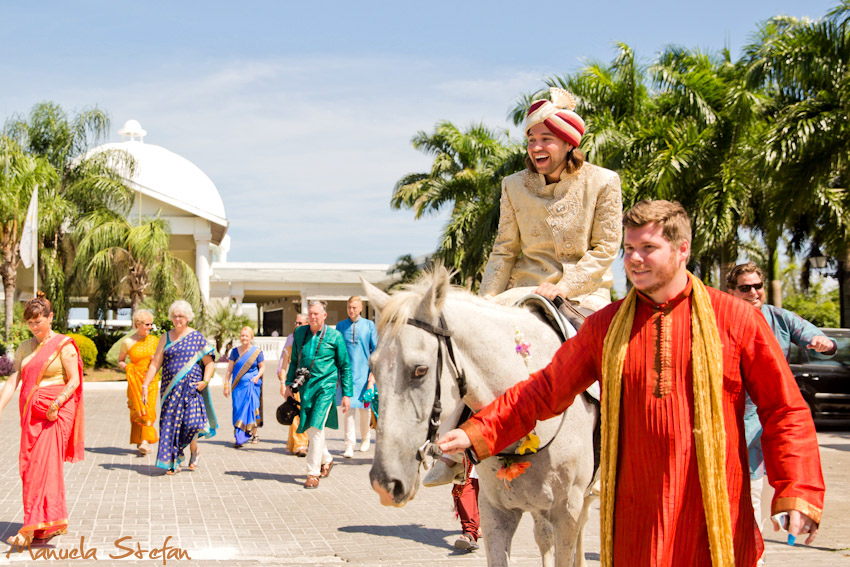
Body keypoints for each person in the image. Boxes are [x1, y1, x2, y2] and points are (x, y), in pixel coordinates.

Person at [439, 200, 825, 567]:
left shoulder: (737, 320)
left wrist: (797, 489)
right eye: (629, 248)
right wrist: (479, 430)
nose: (634, 259)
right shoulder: (604, 327)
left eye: (648, 247)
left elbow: (784, 409)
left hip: (713, 512)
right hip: (636, 518)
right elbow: (546, 389)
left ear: (682, 250)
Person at [727, 261, 836, 562]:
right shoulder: (722, 320)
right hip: (733, 419)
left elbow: (816, 337)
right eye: (745, 287)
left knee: (758, 491)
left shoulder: (779, 318)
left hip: (771, 420)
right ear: (731, 291)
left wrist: (822, 343)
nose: (753, 292)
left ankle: (751, 554)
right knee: (740, 493)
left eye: (757, 286)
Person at [479, 87, 622, 310]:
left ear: (569, 144)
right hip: (524, 290)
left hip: (585, 294)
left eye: (546, 139)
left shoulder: (603, 181)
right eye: (531, 140)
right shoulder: (512, 185)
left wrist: (563, 289)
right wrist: (485, 300)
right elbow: (505, 251)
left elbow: (605, 248)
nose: (536, 147)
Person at [0, 292, 84, 548]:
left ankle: (27, 530)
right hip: (31, 415)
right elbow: (14, 379)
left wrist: (56, 404)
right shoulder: (26, 346)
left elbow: (74, 380)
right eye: (31, 322)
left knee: (41, 469)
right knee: (29, 468)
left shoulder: (63, 344)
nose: (35, 326)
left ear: (50, 318)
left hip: (55, 414)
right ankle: (46, 523)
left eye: (39, 321)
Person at [141, 300, 217, 475]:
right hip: (170, 389)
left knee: (191, 423)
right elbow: (155, 364)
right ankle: (174, 462)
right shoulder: (166, 337)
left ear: (187, 317)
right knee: (171, 424)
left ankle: (194, 449)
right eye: (174, 316)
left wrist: (205, 381)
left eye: (181, 316)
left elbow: (209, 363)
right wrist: (145, 384)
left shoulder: (196, 337)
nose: (177, 319)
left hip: (192, 389)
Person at [284, 300, 352, 489]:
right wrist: (289, 383)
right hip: (306, 386)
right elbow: (294, 359)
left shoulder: (335, 336)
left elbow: (345, 366)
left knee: (316, 426)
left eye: (316, 314)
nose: (312, 317)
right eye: (310, 314)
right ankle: (327, 458)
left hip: (326, 387)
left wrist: (346, 394)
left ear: (324, 316)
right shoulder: (300, 333)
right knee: (310, 428)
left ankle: (312, 473)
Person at [335, 296, 377, 458]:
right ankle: (349, 445)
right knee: (349, 410)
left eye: (354, 307)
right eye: (349, 307)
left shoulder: (369, 325)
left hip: (365, 375)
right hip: (346, 374)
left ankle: (366, 438)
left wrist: (372, 378)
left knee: (365, 411)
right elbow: (336, 351)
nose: (351, 310)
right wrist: (337, 375)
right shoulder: (341, 326)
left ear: (360, 308)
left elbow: (376, 351)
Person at [118, 309, 159, 456]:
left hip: (151, 381)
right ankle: (139, 439)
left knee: (148, 410)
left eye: (151, 324)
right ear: (138, 324)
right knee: (137, 410)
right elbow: (121, 360)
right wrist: (128, 367)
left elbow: (161, 360)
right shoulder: (128, 342)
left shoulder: (155, 341)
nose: (150, 327)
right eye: (147, 324)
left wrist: (157, 359)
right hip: (135, 381)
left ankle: (145, 441)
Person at [224, 326, 265, 448]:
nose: (244, 338)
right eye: (242, 335)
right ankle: (239, 436)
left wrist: (257, 376)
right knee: (238, 409)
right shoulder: (234, 352)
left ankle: (252, 434)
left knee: (250, 409)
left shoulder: (257, 352)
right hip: (237, 386)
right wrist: (226, 384)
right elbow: (230, 370)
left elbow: (262, 367)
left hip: (252, 385)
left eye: (246, 336)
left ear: (251, 337)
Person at [278, 313, 309, 456]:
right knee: (296, 414)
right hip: (294, 386)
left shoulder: (311, 346)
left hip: (309, 386)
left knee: (306, 415)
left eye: (300, 323)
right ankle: (300, 445)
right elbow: (284, 368)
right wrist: (283, 384)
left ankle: (295, 443)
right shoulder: (289, 348)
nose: (297, 325)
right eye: (296, 323)